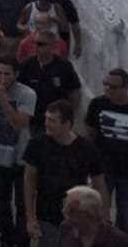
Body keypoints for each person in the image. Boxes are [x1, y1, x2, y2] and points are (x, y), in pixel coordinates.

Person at [24, 100, 109, 247]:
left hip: (77, 219)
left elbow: (100, 186)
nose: (46, 124)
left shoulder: (87, 150)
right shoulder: (36, 145)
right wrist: (30, 218)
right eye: (46, 119)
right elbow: (29, 180)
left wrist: (104, 219)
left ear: (67, 123)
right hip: (46, 216)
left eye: (52, 120)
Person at [0, 55, 37, 247]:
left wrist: (2, 97)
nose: (2, 78)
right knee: (1, 204)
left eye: (7, 74)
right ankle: (6, 239)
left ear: (16, 74)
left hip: (20, 159)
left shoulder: (27, 94)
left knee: (22, 203)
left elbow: (19, 123)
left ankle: (22, 240)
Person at [85, 68, 128, 233]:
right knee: (100, 213)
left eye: (113, 87)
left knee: (125, 215)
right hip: (103, 169)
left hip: (126, 171)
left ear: (125, 88)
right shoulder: (98, 104)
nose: (108, 89)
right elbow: (90, 134)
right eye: (106, 85)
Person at [18, 30, 81, 136]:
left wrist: (70, 114)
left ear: (52, 46)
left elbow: (74, 91)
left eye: (41, 44)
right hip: (35, 120)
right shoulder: (27, 65)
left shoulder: (64, 66)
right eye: (35, 43)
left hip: (57, 121)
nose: (36, 47)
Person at [58, 186, 128, 246]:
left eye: (71, 211)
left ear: (87, 215)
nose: (65, 214)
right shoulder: (66, 228)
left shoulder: (118, 240)